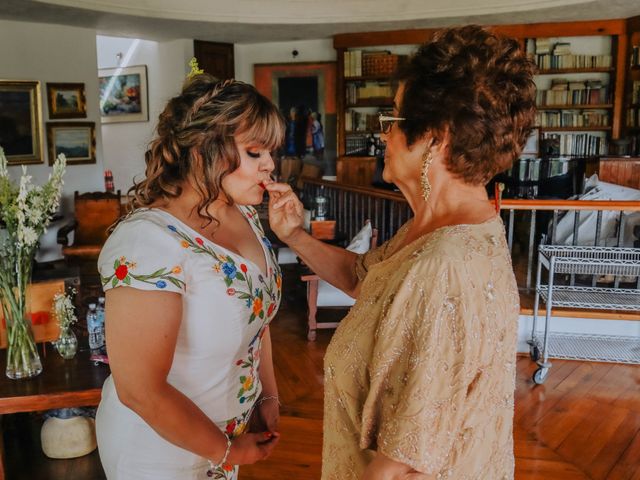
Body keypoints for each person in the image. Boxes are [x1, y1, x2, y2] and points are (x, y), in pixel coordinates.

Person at [266, 25, 536, 479]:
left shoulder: (442, 265)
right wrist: (294, 234)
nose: (383, 136)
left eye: (391, 121)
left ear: (436, 137)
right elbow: (361, 276)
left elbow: (399, 467)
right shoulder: (445, 227)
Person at [96, 75, 285, 480]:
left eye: (270, 151)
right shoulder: (145, 242)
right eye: (255, 152)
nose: (270, 164)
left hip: (227, 436)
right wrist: (228, 451)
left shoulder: (245, 216)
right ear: (203, 151)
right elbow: (140, 390)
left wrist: (268, 394)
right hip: (158, 451)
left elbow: (259, 317)